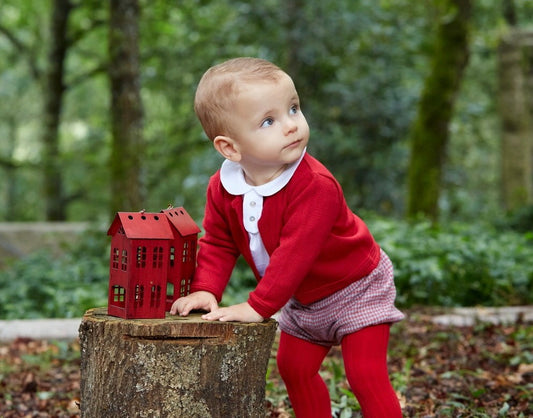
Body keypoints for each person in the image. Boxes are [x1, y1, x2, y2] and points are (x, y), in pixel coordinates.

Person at [170, 57, 404, 417]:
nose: (291, 126)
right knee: (295, 370)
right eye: (269, 121)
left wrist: (258, 306)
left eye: (293, 109)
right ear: (230, 148)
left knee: (364, 375)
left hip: (356, 287)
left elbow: (296, 253)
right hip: (302, 298)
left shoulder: (314, 184)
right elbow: (218, 242)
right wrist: (205, 289)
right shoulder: (223, 187)